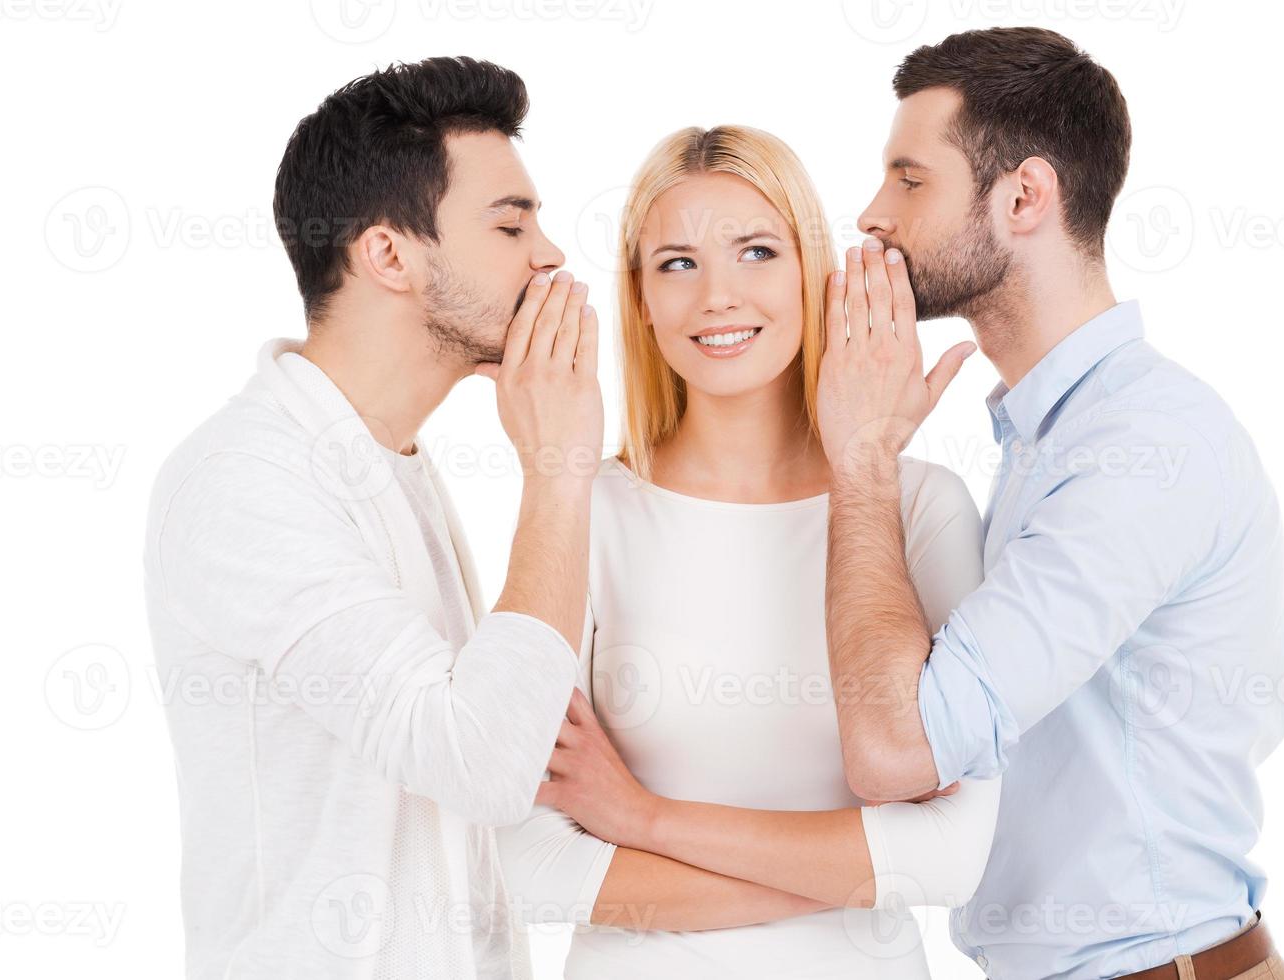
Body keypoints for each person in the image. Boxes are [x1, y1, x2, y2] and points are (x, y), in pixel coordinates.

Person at [815, 28, 1284, 980]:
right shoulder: (1050, 436)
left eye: (910, 180)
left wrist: (861, 459)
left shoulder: (1139, 446)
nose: (871, 215)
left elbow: (898, 750)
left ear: (1023, 197)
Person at [496, 124, 1001, 980]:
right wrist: (858, 872)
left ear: (814, 275)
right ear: (641, 299)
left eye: (758, 252)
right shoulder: (585, 506)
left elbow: (953, 860)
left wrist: (642, 819)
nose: (717, 297)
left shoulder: (917, 508)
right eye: (678, 264)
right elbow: (534, 867)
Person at [143, 57, 603, 978]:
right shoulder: (248, 480)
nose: (548, 255)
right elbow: (478, 762)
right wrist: (558, 469)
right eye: (511, 223)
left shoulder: (384, 458)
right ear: (388, 254)